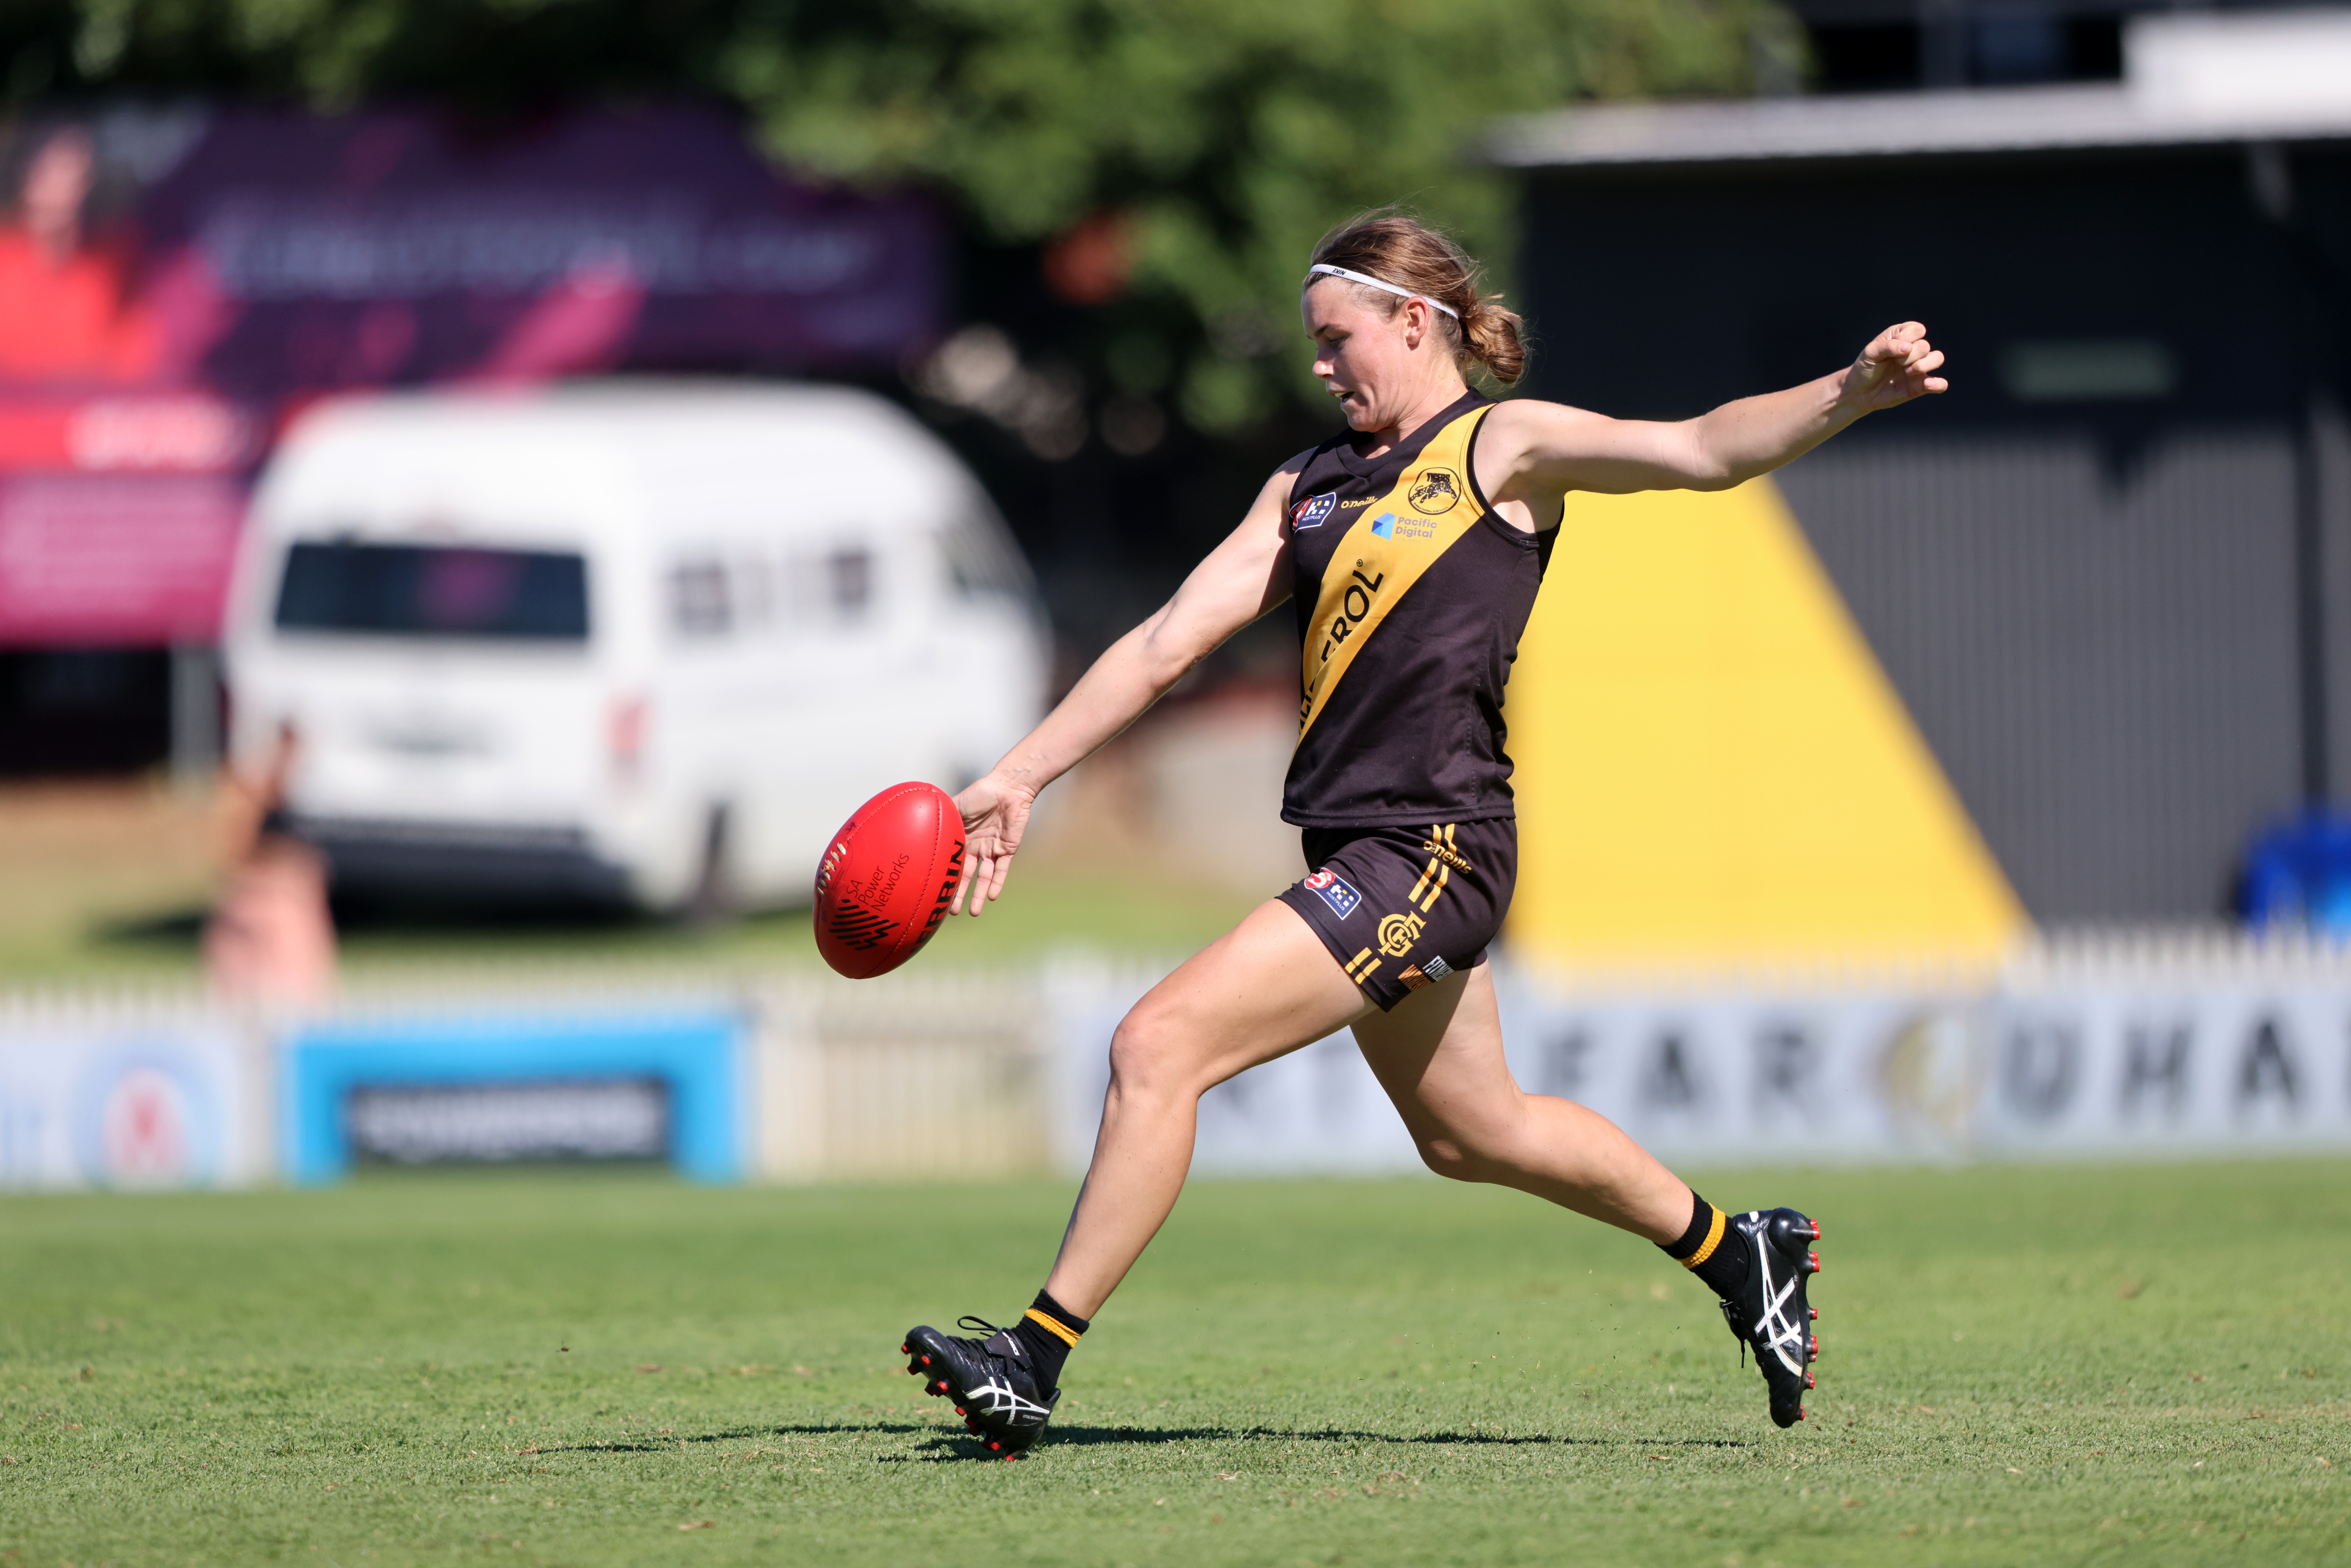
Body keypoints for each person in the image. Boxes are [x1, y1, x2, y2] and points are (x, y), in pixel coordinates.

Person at [903, 211, 1945, 1456]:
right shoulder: (1305, 486)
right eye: (1312, 347)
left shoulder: (1500, 446)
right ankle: (1743, 1252)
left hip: (1432, 848)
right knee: (1472, 1132)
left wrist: (1849, 389)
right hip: (1356, 846)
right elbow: (1166, 641)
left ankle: (1032, 1355)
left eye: (1337, 340)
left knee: (1156, 1045)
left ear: (1414, 322)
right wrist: (1018, 776)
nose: (1319, 367)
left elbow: (1701, 449)